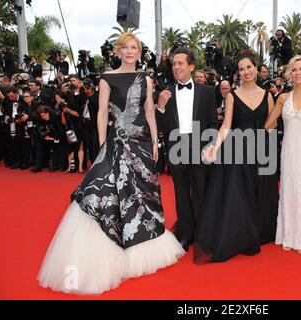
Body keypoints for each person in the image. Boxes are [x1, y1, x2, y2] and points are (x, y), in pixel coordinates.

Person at [38, 33, 185, 295]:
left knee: (141, 194)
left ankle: (141, 248)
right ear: (117, 52)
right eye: (125, 48)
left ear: (139, 52)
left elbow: (150, 111)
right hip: (117, 142)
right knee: (104, 190)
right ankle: (108, 247)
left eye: (134, 48)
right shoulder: (106, 78)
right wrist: (104, 145)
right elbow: (102, 112)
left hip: (142, 142)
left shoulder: (146, 78)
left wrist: (154, 141)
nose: (130, 52)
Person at [196, 54, 279, 263]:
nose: (246, 72)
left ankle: (260, 232)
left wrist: (266, 136)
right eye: (241, 69)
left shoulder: (268, 95)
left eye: (249, 67)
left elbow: (272, 124)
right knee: (239, 193)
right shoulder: (232, 96)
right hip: (239, 149)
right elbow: (226, 126)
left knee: (261, 191)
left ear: (256, 68)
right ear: (238, 73)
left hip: (261, 149)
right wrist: (214, 146)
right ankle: (241, 234)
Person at [156, 47, 219, 252]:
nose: (176, 67)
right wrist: (161, 107)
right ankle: (185, 233)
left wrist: (210, 146)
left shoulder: (208, 92)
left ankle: (201, 233)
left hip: (199, 148)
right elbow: (160, 127)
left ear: (191, 66)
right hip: (176, 148)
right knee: (181, 193)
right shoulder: (165, 93)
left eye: (180, 63)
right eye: (174, 64)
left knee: (200, 193)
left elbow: (212, 123)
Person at [265, 55, 301, 254]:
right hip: (289, 149)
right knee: (289, 189)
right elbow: (269, 124)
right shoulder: (282, 98)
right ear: (290, 73)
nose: (298, 73)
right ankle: (288, 235)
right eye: (294, 69)